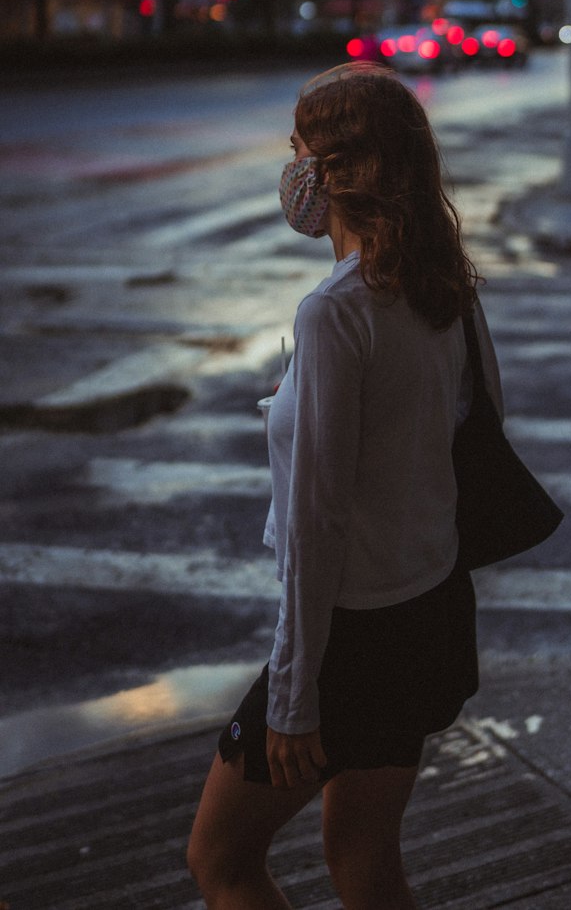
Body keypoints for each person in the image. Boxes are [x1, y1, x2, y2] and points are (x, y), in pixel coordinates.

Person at [187, 62, 503, 910]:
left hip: (351, 640)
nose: (288, 169)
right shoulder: (444, 291)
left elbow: (316, 523)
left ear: (333, 170)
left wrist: (295, 694)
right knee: (364, 860)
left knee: (220, 859)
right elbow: (474, 433)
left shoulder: (336, 314)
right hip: (426, 612)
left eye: (296, 149)